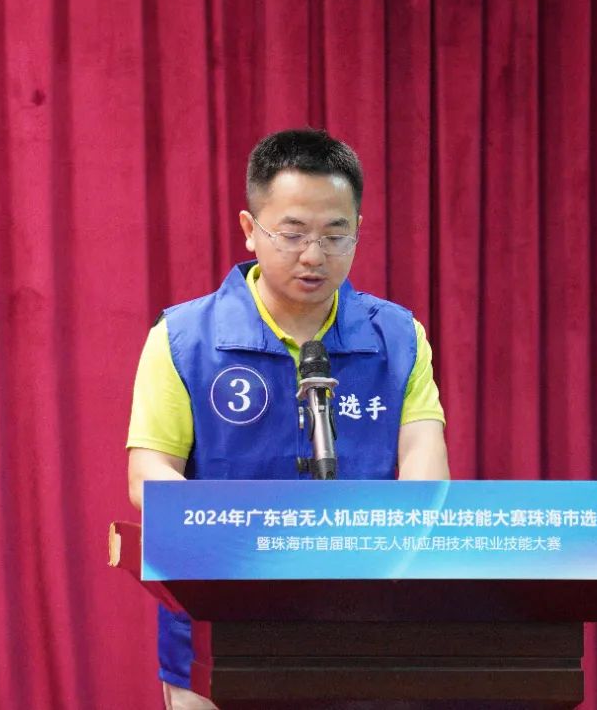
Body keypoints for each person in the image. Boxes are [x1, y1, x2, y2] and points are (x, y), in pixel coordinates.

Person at [125, 128, 450, 709]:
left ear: (358, 229)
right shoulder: (183, 338)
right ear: (250, 229)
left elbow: (426, 478)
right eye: (293, 233)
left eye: (335, 235)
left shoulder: (399, 338)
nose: (314, 256)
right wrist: (256, 533)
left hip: (365, 635)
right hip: (219, 638)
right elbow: (148, 476)